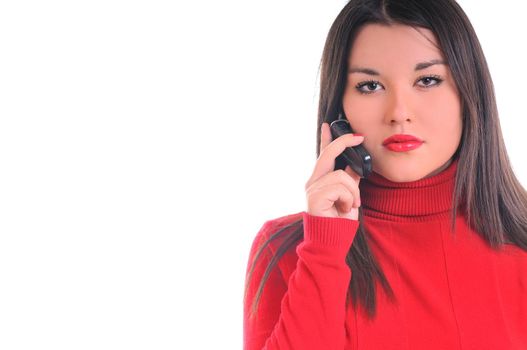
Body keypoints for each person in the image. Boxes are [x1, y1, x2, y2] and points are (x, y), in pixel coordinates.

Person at [243, 0, 527, 349]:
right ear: (339, 109)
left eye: (427, 80)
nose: (399, 113)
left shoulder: (521, 241)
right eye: (370, 86)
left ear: (470, 94)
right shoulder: (290, 251)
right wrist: (325, 248)